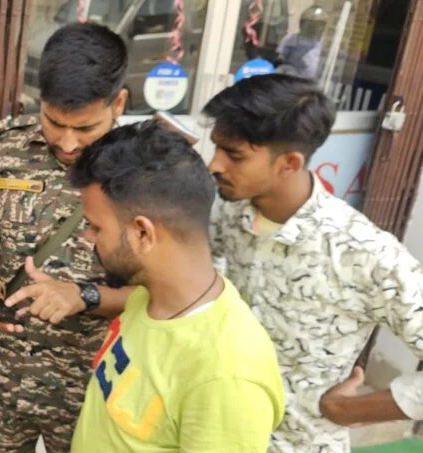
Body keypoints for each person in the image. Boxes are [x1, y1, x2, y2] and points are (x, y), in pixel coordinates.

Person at [205, 73, 423, 453]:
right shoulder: (227, 212)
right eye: (216, 147)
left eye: (234, 155)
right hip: (214, 429)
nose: (214, 164)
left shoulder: (362, 253)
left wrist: (349, 409)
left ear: (289, 163)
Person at [0, 22, 133, 453]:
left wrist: (85, 297)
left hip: (95, 387)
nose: (68, 143)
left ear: (119, 103)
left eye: (85, 128)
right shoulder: (3, 151)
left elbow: (163, 294)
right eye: (54, 122)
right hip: (1, 381)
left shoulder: (144, 171)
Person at [67, 121, 285, 452]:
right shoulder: (148, 297)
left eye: (96, 227)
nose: (87, 238)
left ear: (143, 233)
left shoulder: (226, 377)